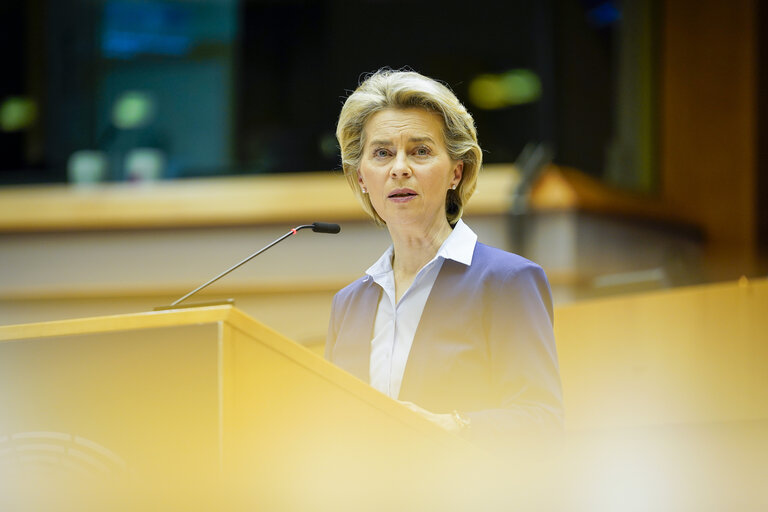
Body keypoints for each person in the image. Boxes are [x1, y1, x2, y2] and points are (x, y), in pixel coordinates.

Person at [325, 69, 563, 441]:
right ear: (361, 178)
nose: (399, 168)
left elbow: (543, 421)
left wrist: (454, 426)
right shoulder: (349, 304)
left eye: (420, 151)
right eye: (382, 153)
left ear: (456, 171)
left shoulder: (506, 282)